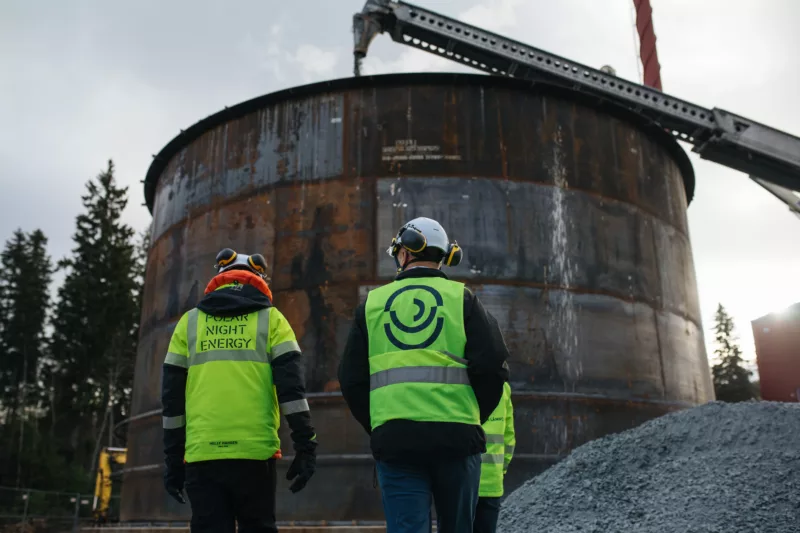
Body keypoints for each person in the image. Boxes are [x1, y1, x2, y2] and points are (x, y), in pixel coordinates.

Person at [338, 217, 510, 533]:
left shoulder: (373, 304)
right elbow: (494, 366)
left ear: (405, 253)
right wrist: (472, 416)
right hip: (458, 440)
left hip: (396, 440)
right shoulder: (463, 299)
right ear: (444, 256)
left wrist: (380, 423)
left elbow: (350, 378)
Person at [161, 248, 317, 533]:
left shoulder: (189, 324)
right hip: (255, 456)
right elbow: (292, 391)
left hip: (202, 456)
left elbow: (172, 403)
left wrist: (172, 460)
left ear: (218, 278)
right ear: (259, 278)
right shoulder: (273, 320)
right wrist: (306, 445)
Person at [473, 377, 515, 533]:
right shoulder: (503, 387)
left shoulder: (457, 382)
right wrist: (501, 470)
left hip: (459, 481)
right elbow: (509, 436)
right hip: (491, 481)